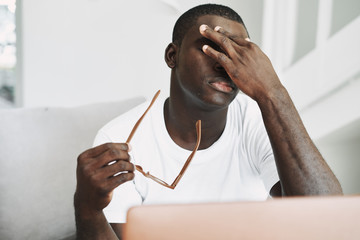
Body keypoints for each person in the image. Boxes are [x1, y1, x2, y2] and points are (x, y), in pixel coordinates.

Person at [74, 3, 342, 239]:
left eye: (238, 54)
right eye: (210, 47)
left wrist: (272, 91)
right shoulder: (120, 137)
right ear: (172, 56)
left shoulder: (257, 118)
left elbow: (328, 220)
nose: (225, 64)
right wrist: (86, 209)